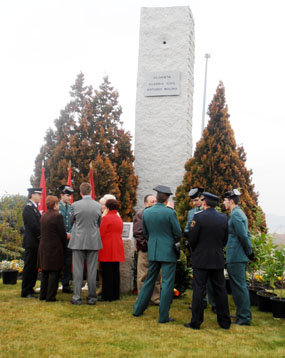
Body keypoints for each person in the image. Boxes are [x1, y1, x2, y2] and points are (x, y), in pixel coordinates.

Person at [133, 185, 182, 324]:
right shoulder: (170, 213)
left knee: (149, 280)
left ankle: (138, 309)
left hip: (153, 250)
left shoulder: (147, 212)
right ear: (167, 199)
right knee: (166, 283)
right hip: (167, 251)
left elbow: (146, 232)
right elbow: (177, 232)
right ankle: (163, 316)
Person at [184, 192, 231, 330]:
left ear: (204, 203)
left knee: (199, 289)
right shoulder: (223, 218)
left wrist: (196, 251)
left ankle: (196, 322)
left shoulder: (198, 217)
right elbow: (225, 239)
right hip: (217, 258)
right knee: (220, 290)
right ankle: (224, 322)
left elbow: (192, 239)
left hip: (201, 259)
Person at [68, 182, 102, 305]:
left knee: (77, 271)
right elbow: (99, 223)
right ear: (91, 192)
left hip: (78, 240)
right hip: (93, 240)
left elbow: (71, 222)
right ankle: (92, 298)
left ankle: (77, 298)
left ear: (80, 192)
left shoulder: (75, 205)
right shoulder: (98, 206)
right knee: (92, 271)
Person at [223, 189, 254, 326]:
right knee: (237, 286)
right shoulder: (237, 213)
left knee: (239, 286)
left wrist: (249, 251)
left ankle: (245, 317)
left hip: (236, 255)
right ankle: (242, 314)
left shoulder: (236, 215)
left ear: (231, 201)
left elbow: (243, 235)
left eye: (224, 200)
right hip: (236, 255)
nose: (223, 203)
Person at [185, 187, 216, 312]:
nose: (195, 203)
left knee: (211, 279)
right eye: (193, 201)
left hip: (208, 248)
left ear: (202, 198)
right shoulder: (191, 213)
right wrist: (188, 235)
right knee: (198, 277)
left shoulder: (210, 211)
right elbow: (188, 228)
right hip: (196, 248)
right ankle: (200, 302)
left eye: (196, 200)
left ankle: (214, 303)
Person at [133, 194, 161, 305]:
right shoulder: (141, 215)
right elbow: (138, 233)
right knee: (143, 276)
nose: (154, 203)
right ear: (146, 203)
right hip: (145, 250)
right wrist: (146, 246)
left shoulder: (159, 215)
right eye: (151, 201)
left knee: (157, 276)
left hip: (158, 250)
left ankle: (155, 298)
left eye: (155, 201)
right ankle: (142, 298)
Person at [38, 196, 67, 302]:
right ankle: (50, 297)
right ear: (55, 204)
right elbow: (62, 234)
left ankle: (43, 295)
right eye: (57, 204)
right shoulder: (57, 216)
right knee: (54, 272)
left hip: (43, 246)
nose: (58, 205)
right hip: (54, 247)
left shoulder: (43, 216)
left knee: (45, 272)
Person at [98, 199, 125, 301]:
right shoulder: (119, 218)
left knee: (107, 272)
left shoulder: (106, 218)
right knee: (115, 271)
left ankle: (107, 295)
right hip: (117, 246)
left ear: (108, 207)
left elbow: (101, 233)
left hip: (107, 247)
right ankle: (115, 294)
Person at [21, 187, 42, 298]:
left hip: (35, 242)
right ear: (32, 195)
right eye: (38, 194)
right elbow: (33, 226)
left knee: (34, 267)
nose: (40, 196)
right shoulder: (28, 208)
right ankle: (25, 290)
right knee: (29, 266)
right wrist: (40, 235)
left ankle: (30, 287)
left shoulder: (34, 208)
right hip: (31, 242)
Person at [58, 185, 74, 294]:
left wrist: (71, 233)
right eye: (67, 195)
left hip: (69, 239)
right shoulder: (57, 206)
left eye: (70, 196)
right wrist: (64, 234)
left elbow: (74, 221)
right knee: (57, 261)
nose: (69, 198)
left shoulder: (71, 207)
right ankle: (55, 282)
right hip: (59, 239)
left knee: (68, 262)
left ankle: (66, 284)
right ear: (62, 195)